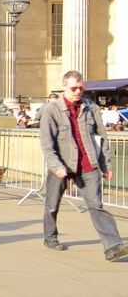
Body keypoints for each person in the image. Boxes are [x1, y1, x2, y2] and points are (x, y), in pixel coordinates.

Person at [40, 70, 128, 261]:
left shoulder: (91, 107)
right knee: (52, 204)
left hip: (87, 163)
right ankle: (50, 237)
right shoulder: (52, 110)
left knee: (96, 205)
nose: (78, 92)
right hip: (62, 164)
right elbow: (47, 143)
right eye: (74, 88)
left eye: (81, 88)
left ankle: (112, 246)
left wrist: (106, 165)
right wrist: (56, 166)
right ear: (64, 87)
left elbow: (102, 138)